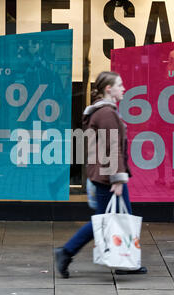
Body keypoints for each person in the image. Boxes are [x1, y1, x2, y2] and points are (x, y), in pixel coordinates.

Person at [54, 71, 147, 278]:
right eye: (119, 85)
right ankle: (66, 251)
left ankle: (126, 261)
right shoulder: (106, 113)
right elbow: (112, 148)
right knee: (105, 220)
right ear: (108, 89)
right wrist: (117, 178)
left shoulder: (104, 112)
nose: (123, 88)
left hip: (104, 174)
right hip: (107, 177)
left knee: (120, 217)